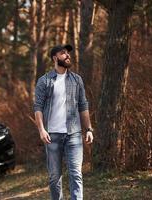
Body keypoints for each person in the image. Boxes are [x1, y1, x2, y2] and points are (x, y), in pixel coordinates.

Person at [34, 44, 94, 200]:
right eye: (63, 53)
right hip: (52, 135)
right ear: (55, 58)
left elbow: (83, 105)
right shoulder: (44, 81)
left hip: (73, 134)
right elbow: (38, 107)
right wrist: (41, 130)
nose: (68, 56)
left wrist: (88, 129)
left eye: (68, 53)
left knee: (76, 174)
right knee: (55, 177)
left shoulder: (76, 80)